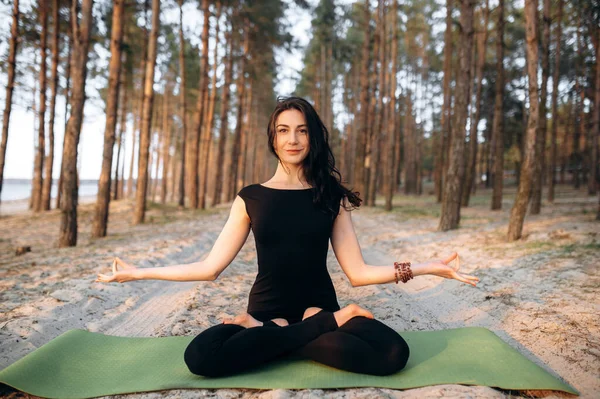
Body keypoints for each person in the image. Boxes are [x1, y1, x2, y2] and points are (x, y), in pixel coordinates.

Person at [96, 96, 479, 378]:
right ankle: (290, 328)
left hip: (319, 309)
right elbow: (209, 267)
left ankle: (274, 335)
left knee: (393, 353)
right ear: (273, 139)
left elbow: (358, 273)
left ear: (312, 137)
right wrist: (138, 272)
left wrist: (428, 268)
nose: (292, 139)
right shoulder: (251, 197)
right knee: (199, 357)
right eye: (283, 130)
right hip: (275, 311)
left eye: (301, 130)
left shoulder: (330, 196)